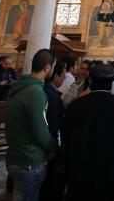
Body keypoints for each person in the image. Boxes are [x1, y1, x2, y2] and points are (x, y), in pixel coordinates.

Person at [63, 64, 114, 201]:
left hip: (79, 169)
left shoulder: (76, 106)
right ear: (111, 84)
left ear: (91, 82)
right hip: (108, 170)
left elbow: (66, 137)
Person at [5, 49, 57, 201]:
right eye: (53, 66)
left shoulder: (20, 86)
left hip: (15, 155)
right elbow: (40, 130)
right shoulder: (35, 92)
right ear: (47, 67)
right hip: (29, 159)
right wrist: (53, 147)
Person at [40, 60, 67, 201]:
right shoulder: (52, 96)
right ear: (56, 76)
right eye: (63, 75)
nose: (65, 78)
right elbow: (53, 124)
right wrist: (54, 147)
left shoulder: (43, 89)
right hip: (48, 146)